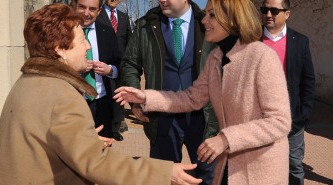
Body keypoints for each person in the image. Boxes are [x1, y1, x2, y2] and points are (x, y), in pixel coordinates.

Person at [0, 3, 202, 185]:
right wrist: (163, 172)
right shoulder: (63, 94)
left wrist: (81, 140)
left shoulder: (29, 81)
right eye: (81, 40)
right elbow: (97, 164)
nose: (88, 45)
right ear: (60, 48)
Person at [114, 0, 292, 184]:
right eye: (206, 14)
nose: (204, 20)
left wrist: (224, 139)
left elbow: (279, 122)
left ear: (232, 19)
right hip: (229, 166)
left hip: (259, 170)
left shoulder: (262, 57)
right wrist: (146, 97)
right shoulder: (216, 59)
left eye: (212, 15)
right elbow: (191, 98)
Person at [120, 0, 217, 184]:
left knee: (209, 176)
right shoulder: (145, 25)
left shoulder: (207, 23)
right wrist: (135, 101)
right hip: (161, 119)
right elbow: (130, 63)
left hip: (203, 118)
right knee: (163, 176)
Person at [260, 0, 315, 184]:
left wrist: (303, 115)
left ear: (287, 14)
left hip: (292, 120)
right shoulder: (251, 40)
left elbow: (308, 81)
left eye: (274, 10)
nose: (268, 14)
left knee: (294, 167)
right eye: (265, 9)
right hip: (260, 121)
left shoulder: (300, 42)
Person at [74, 0, 120, 139]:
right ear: (74, 5)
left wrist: (110, 70)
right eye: (82, 7)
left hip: (102, 103)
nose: (86, 13)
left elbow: (119, 63)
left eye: (92, 9)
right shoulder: (63, 32)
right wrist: (76, 69)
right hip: (74, 102)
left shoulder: (107, 31)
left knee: (103, 150)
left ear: (99, 11)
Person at [97, 0, 133, 141]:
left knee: (119, 98)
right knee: (104, 97)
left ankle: (115, 128)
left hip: (120, 65)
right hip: (102, 64)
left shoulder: (124, 17)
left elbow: (130, 42)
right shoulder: (98, 14)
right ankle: (102, 127)